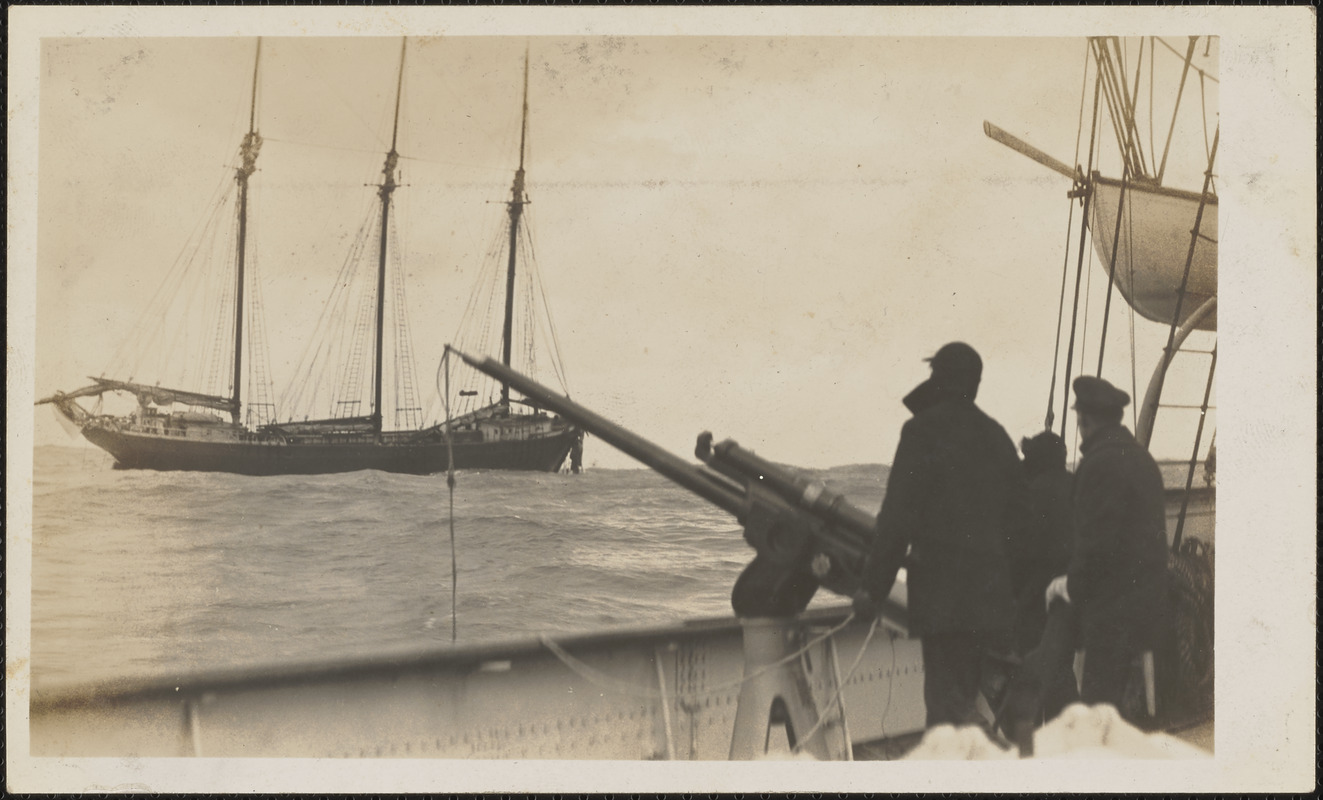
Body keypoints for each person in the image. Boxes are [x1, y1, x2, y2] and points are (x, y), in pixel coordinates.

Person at [853, 342, 1028, 729]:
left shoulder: (921, 431)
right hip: (995, 602)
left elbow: (897, 517)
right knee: (975, 705)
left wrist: (873, 588)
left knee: (947, 713)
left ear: (938, 379)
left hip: (945, 601)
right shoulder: (998, 436)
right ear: (976, 384)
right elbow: (1020, 525)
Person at [1044, 375, 1168, 722]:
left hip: (1112, 619)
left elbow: (1095, 546)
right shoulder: (1143, 461)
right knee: (1127, 720)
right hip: (1147, 613)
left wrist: (1066, 585)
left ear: (1083, 419)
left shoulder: (1099, 465)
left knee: (1100, 718)